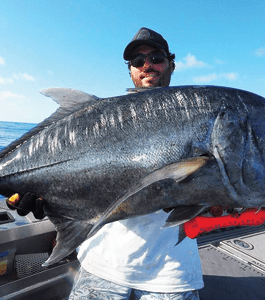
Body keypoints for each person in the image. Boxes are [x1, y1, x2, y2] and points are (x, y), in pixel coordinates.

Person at [67, 27, 203, 300]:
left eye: (156, 58)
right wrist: (47, 199)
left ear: (171, 64)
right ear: (130, 71)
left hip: (171, 272)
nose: (147, 66)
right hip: (102, 262)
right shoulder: (106, 121)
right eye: (138, 62)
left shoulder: (197, 115)